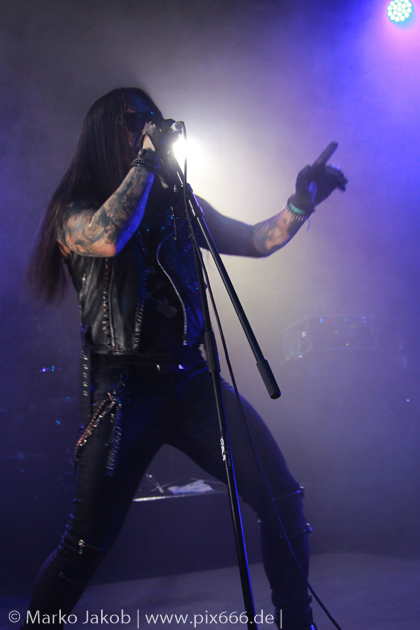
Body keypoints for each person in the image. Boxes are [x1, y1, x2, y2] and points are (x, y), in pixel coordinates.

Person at [26, 87, 347, 630]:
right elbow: (108, 238)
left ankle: (298, 623)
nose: (149, 127)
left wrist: (300, 203)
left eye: (154, 118)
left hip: (192, 379)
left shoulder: (177, 201)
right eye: (135, 120)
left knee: (282, 497)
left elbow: (255, 239)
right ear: (107, 132)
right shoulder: (74, 209)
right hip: (123, 390)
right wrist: (147, 163)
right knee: (85, 544)